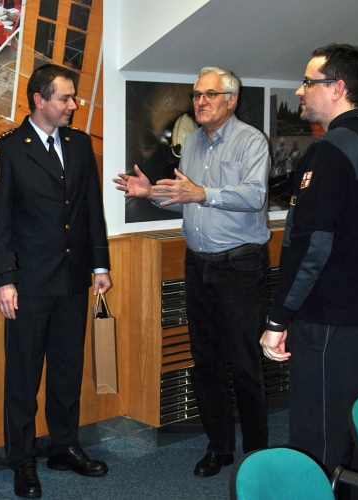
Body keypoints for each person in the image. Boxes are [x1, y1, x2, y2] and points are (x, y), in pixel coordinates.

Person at [114, 66, 271, 477]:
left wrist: (201, 193)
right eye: (197, 94)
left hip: (239, 266)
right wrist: (152, 192)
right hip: (198, 264)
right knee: (206, 362)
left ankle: (259, 455)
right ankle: (219, 447)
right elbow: (187, 198)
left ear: (231, 100)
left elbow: (254, 196)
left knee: (245, 364)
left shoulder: (250, 141)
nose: (200, 101)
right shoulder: (195, 142)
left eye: (209, 94)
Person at [0, 63, 112, 499]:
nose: (73, 105)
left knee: (66, 370)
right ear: (39, 100)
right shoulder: (7, 150)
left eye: (73, 97)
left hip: (73, 280)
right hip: (28, 285)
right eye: (65, 98)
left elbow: (91, 209)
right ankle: (22, 460)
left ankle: (64, 446)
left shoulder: (78, 144)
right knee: (22, 378)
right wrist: (3, 280)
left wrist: (100, 266)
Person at [261, 43, 358, 474]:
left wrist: (278, 320)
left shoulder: (330, 150)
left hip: (329, 321)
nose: (300, 90)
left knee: (320, 440)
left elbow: (311, 246)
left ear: (338, 88)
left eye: (309, 81)